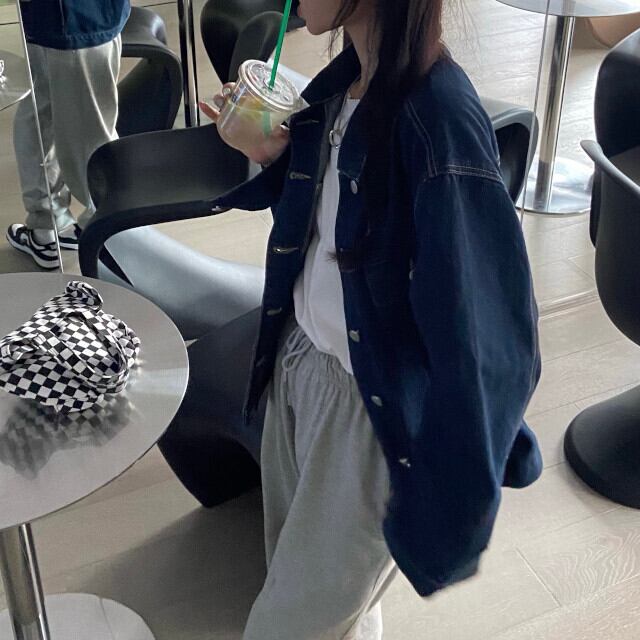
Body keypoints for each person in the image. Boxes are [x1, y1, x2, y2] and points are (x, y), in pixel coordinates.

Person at [201, 0, 543, 637]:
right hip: (299, 364)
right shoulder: (343, 84)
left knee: (288, 624)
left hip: (368, 413)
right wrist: (273, 156)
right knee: (311, 589)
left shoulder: (440, 121)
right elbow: (338, 231)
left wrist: (452, 497)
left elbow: (489, 338)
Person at [6, 0, 131, 270]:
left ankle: (59, 228)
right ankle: (96, 229)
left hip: (68, 20)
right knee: (86, 132)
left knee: (46, 115)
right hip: (79, 19)